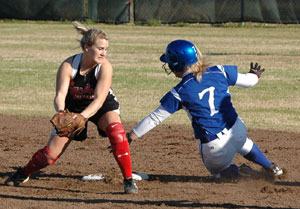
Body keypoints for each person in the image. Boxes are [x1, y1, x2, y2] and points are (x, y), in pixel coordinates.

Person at [5, 21, 138, 194]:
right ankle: (23, 172)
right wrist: (61, 112)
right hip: (72, 107)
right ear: (86, 47)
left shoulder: (105, 67)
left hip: (102, 106)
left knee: (117, 133)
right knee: (49, 156)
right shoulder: (68, 65)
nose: (103, 53)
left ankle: (128, 180)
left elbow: (98, 100)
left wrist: (82, 117)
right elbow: (60, 95)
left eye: (105, 49)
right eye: (99, 48)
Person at [126, 39, 283, 180]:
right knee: (243, 143)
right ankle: (271, 167)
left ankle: (245, 174)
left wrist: (131, 136)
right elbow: (250, 81)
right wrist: (254, 75)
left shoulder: (179, 91)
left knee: (219, 171)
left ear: (176, 64)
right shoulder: (219, 70)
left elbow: (155, 118)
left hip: (215, 147)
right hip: (237, 129)